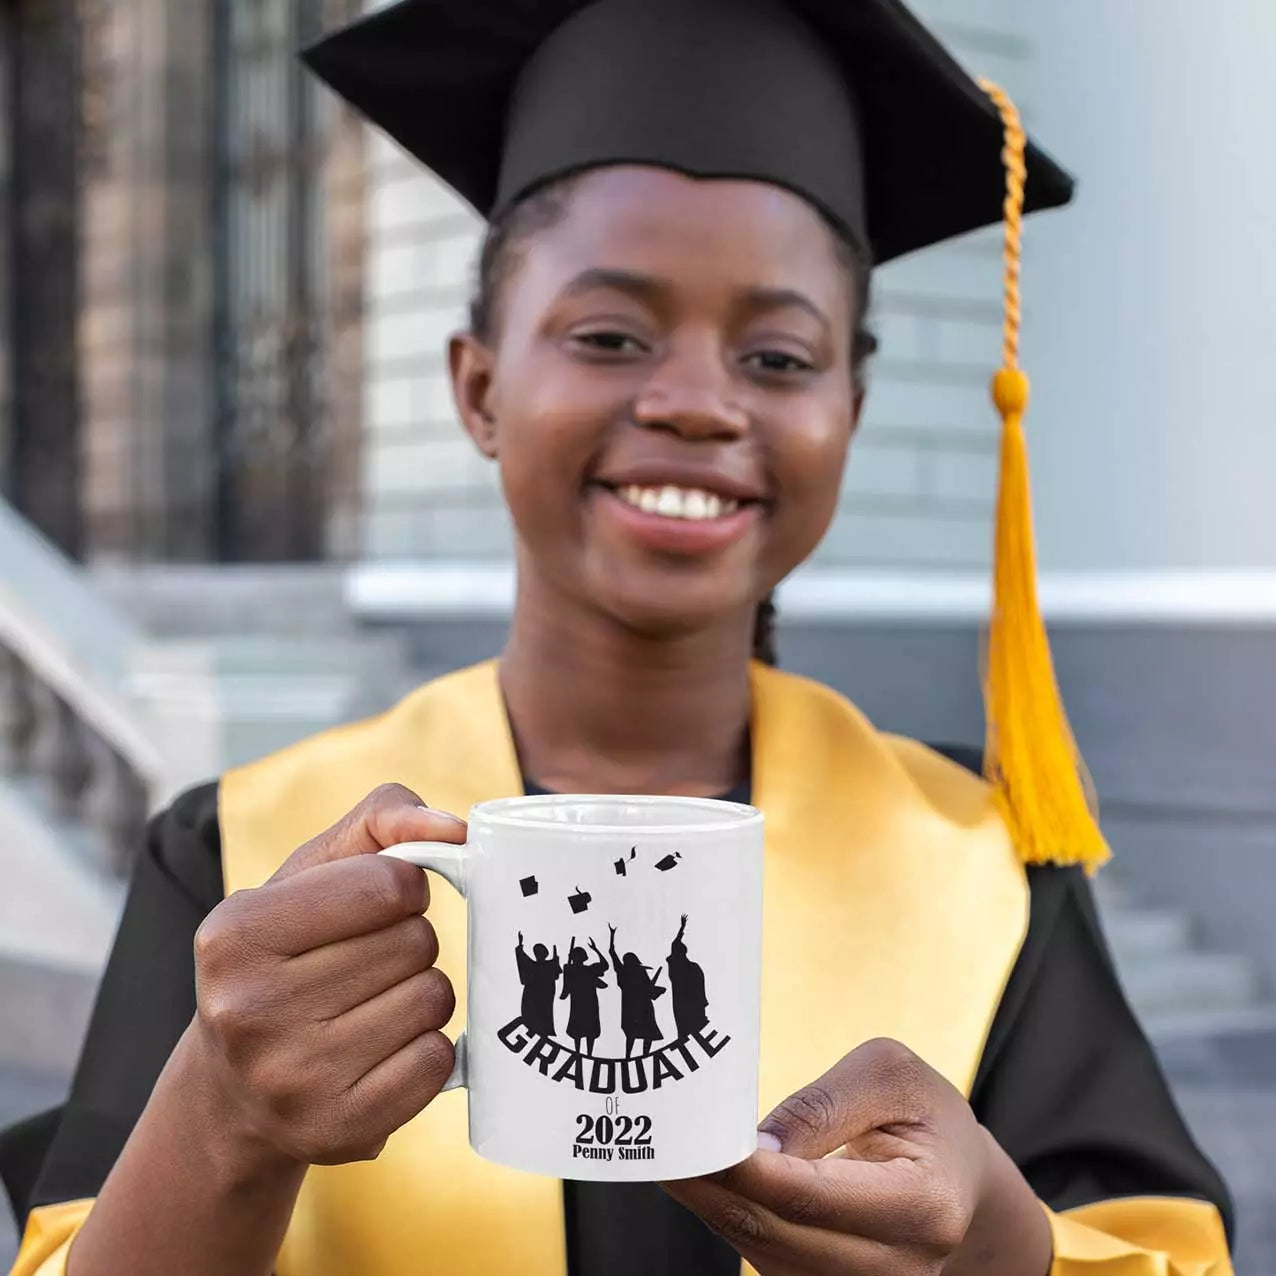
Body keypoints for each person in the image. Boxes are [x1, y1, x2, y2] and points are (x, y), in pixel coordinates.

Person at [1, 0, 1234, 1273]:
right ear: (480, 388)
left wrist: (1001, 1251)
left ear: (849, 413)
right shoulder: (252, 858)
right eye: (608, 336)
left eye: (776, 355)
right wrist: (222, 1118)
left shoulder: (982, 866)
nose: (696, 402)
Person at [607, 925, 667, 1058]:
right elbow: (612, 952)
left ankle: (642, 1055)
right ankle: (630, 1055)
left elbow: (648, 987)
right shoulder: (624, 971)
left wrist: (656, 990)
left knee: (646, 1031)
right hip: (633, 1006)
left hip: (641, 1005)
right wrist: (612, 935)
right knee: (633, 1032)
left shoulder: (636, 971)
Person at [558, 938, 609, 1057]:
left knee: (587, 1028)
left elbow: (605, 966)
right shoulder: (571, 969)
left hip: (587, 1001)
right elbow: (566, 985)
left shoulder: (586, 969)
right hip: (580, 1001)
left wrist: (596, 949)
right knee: (579, 1028)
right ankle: (579, 1052)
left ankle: (587, 1053)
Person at [666, 915, 709, 1040]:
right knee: (684, 1020)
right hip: (681, 998)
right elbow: (674, 943)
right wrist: (681, 928)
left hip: (684, 999)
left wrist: (682, 928)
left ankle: (688, 1034)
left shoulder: (691, 967)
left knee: (686, 1019)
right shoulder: (680, 964)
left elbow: (700, 987)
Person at [515, 932, 562, 1039]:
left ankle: (541, 1033)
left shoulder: (547, 965)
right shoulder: (536, 965)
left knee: (543, 1015)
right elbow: (522, 956)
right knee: (534, 1015)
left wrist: (556, 960)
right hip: (534, 996)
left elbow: (556, 973)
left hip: (544, 996)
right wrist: (520, 944)